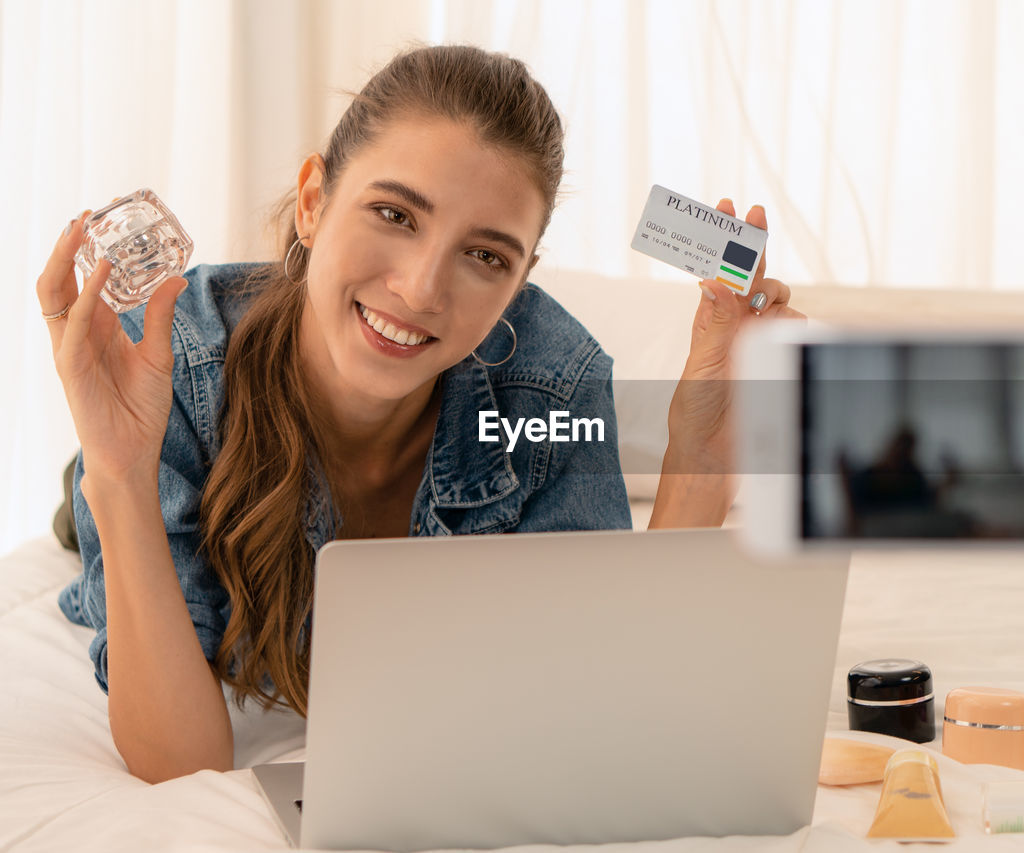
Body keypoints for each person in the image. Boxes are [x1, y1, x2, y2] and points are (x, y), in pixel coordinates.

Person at [36, 44, 797, 784]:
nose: (423, 288)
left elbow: (605, 701)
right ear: (313, 201)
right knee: (83, 507)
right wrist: (121, 472)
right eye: (395, 214)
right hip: (185, 425)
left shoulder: (554, 382)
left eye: (486, 256)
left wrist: (700, 450)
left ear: (520, 282)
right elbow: (181, 762)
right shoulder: (178, 363)